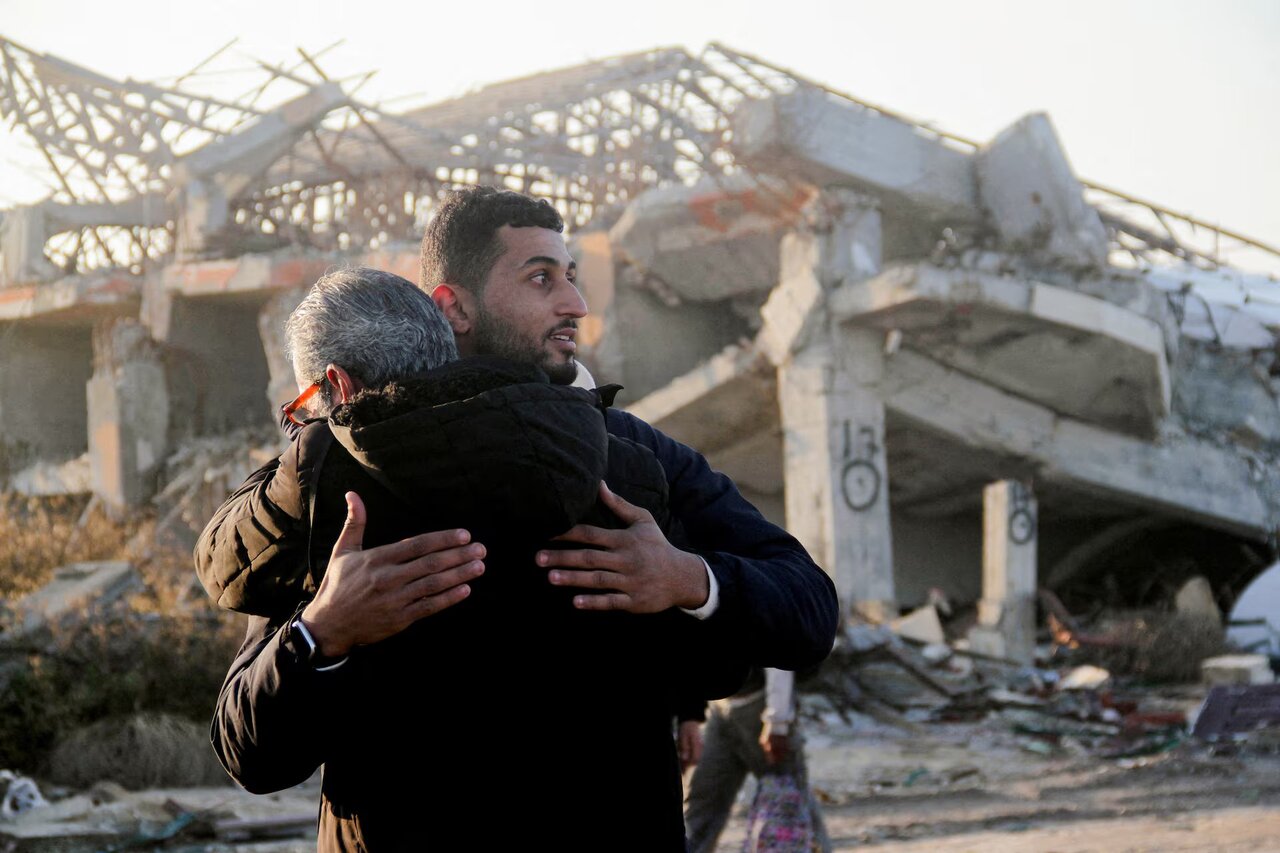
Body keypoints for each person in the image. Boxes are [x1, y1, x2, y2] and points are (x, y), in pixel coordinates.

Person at [210, 267, 747, 850]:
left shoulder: (336, 525)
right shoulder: (625, 479)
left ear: (336, 387)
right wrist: (694, 583)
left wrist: (319, 635)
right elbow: (725, 670)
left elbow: (253, 758)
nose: (302, 430)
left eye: (303, 408)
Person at [684, 668, 831, 853]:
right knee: (704, 797)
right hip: (719, 710)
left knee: (789, 799)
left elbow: (778, 660)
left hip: (760, 707)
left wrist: (777, 722)